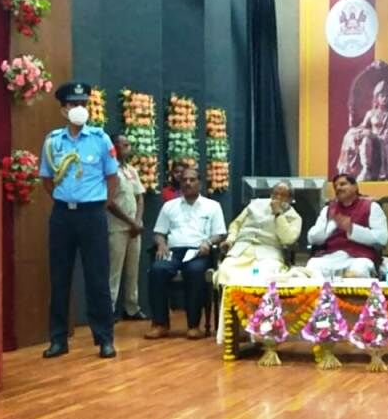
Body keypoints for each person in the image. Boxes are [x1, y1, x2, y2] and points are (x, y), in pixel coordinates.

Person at [38, 81, 119, 359]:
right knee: (59, 278)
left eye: (83, 104)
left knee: (97, 278)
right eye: (74, 104)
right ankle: (58, 339)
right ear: (63, 109)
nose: (80, 109)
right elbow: (47, 179)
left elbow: (112, 178)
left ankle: (105, 338)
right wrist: (64, 199)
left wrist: (100, 204)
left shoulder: (100, 139)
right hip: (63, 215)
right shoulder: (53, 141)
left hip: (92, 214)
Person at [146, 168, 226, 340]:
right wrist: (161, 244)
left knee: (195, 271)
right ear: (180, 183)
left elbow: (220, 234)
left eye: (192, 180)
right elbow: (159, 232)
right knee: (157, 270)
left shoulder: (212, 206)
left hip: (198, 251)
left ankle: (193, 325)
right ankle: (160, 324)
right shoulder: (169, 206)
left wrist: (208, 242)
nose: (188, 183)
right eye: (184, 180)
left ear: (200, 183)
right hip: (173, 251)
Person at [216, 181, 302, 285]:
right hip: (241, 249)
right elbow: (236, 225)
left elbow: (288, 239)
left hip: (268, 254)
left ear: (290, 199)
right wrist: (230, 240)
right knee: (225, 270)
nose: (278, 198)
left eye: (283, 195)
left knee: (265, 275)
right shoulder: (256, 204)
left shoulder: (294, 218)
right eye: (275, 194)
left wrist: (278, 214)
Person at [306, 174, 388, 278]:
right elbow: (312, 238)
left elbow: (381, 238)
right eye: (336, 186)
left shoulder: (371, 207)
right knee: (312, 266)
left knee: (359, 270)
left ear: (355, 187)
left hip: (359, 257)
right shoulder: (328, 210)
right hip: (331, 256)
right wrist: (329, 227)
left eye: (343, 184)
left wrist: (351, 229)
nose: (338, 188)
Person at [336, 80, 388, 181]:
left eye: (387, 96)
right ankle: (366, 170)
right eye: (382, 96)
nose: (385, 98)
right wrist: (363, 132)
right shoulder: (370, 114)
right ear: (377, 98)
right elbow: (363, 126)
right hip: (374, 139)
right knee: (365, 142)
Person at [107, 134, 148, 321]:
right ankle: (109, 309)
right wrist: (130, 222)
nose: (128, 148)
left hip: (134, 229)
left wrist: (137, 221)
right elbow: (109, 202)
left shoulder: (131, 170)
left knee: (133, 270)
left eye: (129, 144)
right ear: (114, 147)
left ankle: (131, 307)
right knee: (114, 271)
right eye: (124, 144)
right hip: (117, 227)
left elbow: (140, 197)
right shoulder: (109, 170)